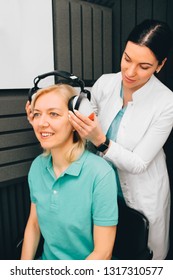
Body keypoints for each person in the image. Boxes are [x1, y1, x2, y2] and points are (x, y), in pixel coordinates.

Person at [67, 19, 173, 260]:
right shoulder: (107, 82)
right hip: (103, 190)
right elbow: (83, 102)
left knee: (143, 258)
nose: (130, 72)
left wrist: (101, 142)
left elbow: (138, 163)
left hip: (141, 194)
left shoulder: (167, 103)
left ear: (160, 65)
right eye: (127, 58)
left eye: (144, 66)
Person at [21, 84, 118, 260]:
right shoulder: (37, 166)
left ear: (76, 121)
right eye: (37, 114)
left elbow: (103, 253)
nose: (42, 123)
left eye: (53, 114)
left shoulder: (100, 173)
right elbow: (34, 225)